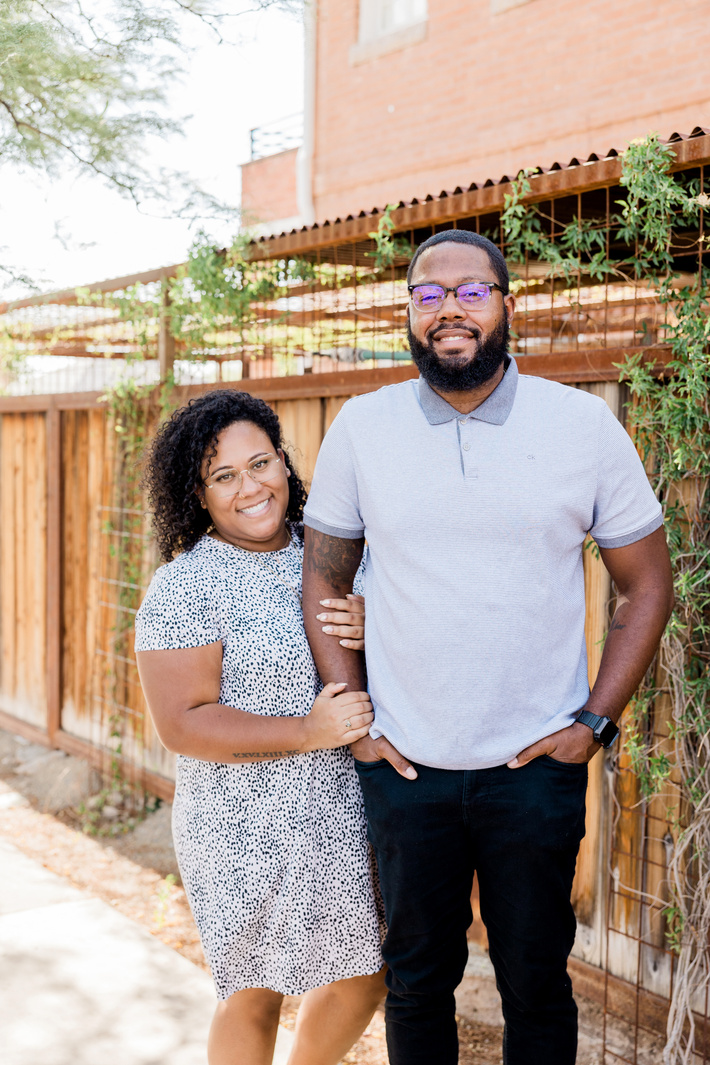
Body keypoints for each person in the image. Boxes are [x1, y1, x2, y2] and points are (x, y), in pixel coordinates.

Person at [301, 229, 675, 1065]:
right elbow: (324, 578)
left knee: (537, 983)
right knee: (417, 980)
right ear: (408, 313)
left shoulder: (581, 426)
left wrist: (595, 722)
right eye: (428, 294)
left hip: (534, 768)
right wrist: (355, 722)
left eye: (472, 291)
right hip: (405, 766)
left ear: (508, 305)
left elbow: (647, 584)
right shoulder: (363, 428)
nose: (449, 310)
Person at [134, 390, 389, 1065]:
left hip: (337, 808)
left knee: (365, 975)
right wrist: (305, 731)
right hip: (238, 821)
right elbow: (183, 723)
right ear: (198, 493)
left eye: (261, 462)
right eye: (224, 476)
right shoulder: (187, 586)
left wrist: (377, 625)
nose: (251, 486)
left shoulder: (331, 554)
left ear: (284, 462)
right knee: (256, 991)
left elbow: (396, 652)